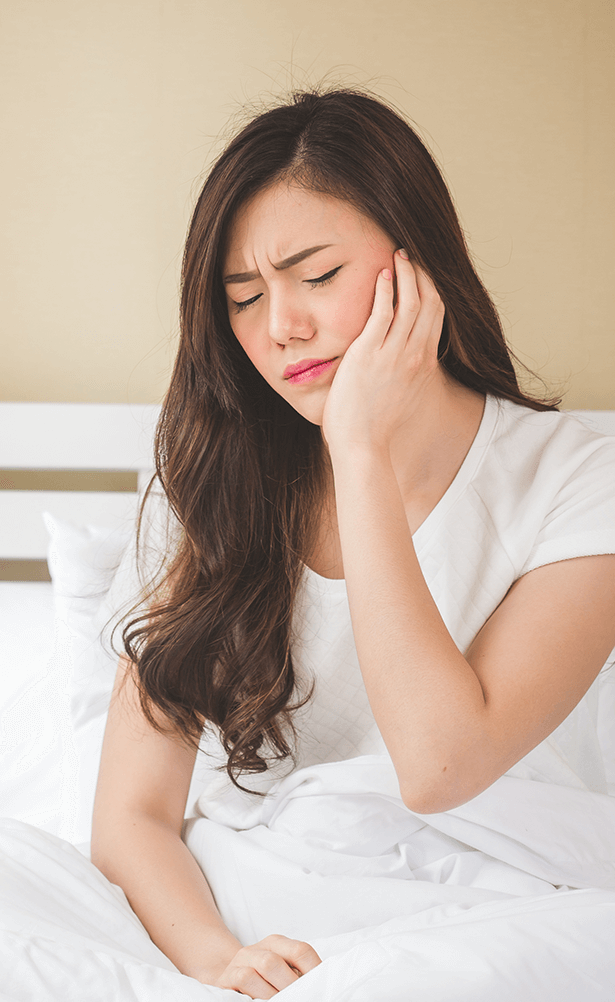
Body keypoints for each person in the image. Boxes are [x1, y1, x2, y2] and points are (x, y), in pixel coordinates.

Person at [89, 88, 615, 999]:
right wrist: (216, 958)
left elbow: (441, 765)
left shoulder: (580, 479)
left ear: (418, 263)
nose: (280, 327)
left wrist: (359, 451)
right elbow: (132, 814)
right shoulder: (213, 483)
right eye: (244, 298)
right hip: (273, 901)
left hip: (508, 899)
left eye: (316, 276)